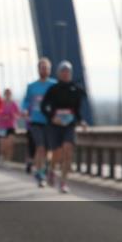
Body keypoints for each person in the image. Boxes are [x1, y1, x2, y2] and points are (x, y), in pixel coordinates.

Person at [40, 61, 88, 194]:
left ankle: (63, 182)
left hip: (69, 125)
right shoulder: (53, 89)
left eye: (68, 71)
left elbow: (77, 110)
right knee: (58, 153)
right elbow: (44, 107)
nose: (66, 74)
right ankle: (51, 169)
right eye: (63, 71)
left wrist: (82, 121)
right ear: (59, 74)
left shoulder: (76, 89)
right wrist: (52, 117)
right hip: (55, 125)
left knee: (68, 150)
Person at [22, 57, 56, 188]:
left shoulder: (54, 85)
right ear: (38, 69)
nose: (44, 70)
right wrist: (25, 110)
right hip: (35, 121)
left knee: (47, 150)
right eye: (42, 67)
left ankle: (42, 168)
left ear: (50, 70)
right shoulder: (32, 86)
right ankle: (41, 174)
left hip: (50, 122)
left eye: (46, 68)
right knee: (40, 147)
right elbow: (26, 101)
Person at [0, 88, 21, 169]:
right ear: (4, 94)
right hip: (2, 126)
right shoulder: (0, 103)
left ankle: (7, 161)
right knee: (2, 145)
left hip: (11, 126)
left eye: (9, 93)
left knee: (10, 144)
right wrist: (2, 117)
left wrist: (13, 116)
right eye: (6, 93)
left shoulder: (14, 104)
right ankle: (1, 158)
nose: (8, 95)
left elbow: (18, 114)